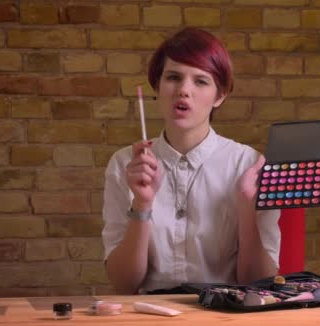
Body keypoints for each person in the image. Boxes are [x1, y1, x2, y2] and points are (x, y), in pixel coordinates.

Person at [101, 27, 281, 295]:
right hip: (148, 317)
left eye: (200, 81)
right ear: (157, 87)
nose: (184, 90)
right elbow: (123, 284)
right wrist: (142, 204)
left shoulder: (249, 165)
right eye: (173, 77)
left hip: (224, 318)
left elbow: (258, 284)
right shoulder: (125, 163)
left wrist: (246, 208)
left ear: (219, 96)